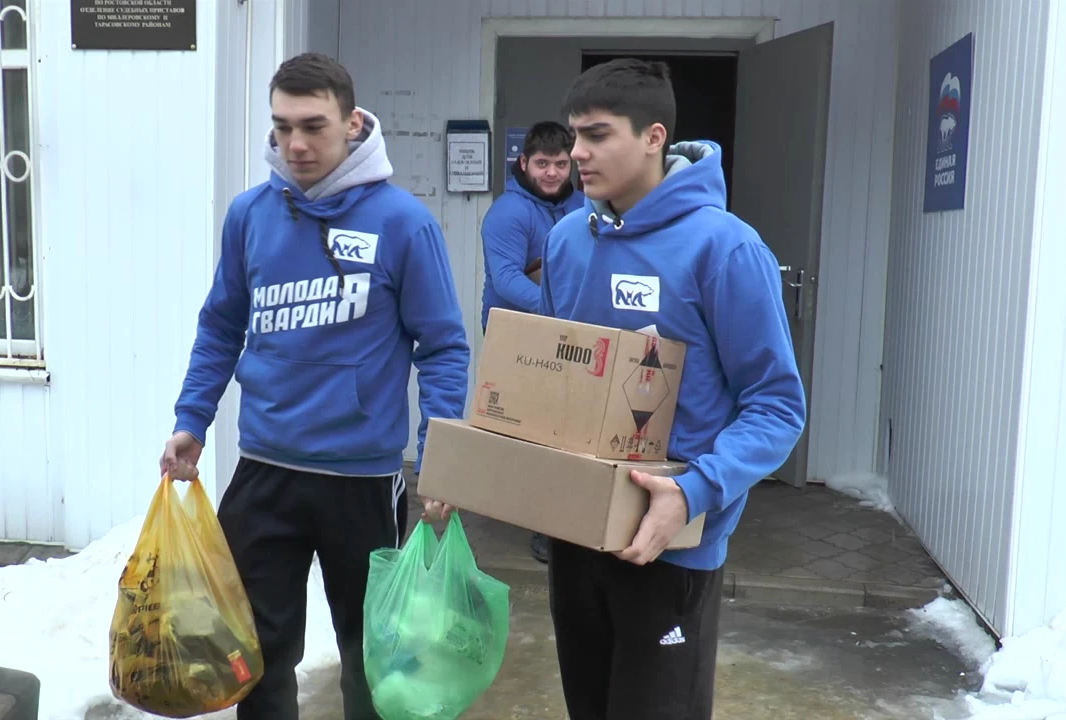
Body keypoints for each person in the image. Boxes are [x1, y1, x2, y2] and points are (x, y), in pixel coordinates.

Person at [160, 53, 471, 720]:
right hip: (265, 470)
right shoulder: (250, 215)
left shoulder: (403, 223)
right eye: (281, 127)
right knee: (257, 656)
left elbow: (443, 348)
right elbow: (221, 327)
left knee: (371, 659)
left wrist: (441, 457)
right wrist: (192, 418)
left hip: (360, 479)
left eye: (312, 126)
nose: (294, 144)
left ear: (353, 124)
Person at [542, 58, 807, 718]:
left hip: (671, 545)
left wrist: (693, 492)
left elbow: (777, 407)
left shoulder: (725, 248)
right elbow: (552, 377)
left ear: (654, 137)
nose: (577, 153)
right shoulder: (568, 240)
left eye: (597, 135)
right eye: (574, 136)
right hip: (576, 532)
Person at [480, 120, 584, 564]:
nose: (552, 173)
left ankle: (561, 517)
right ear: (523, 162)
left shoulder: (583, 205)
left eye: (560, 164)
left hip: (566, 333)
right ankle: (542, 525)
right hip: (519, 334)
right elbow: (505, 280)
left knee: (569, 429)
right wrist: (559, 313)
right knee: (535, 433)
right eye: (542, 163)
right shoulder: (508, 212)